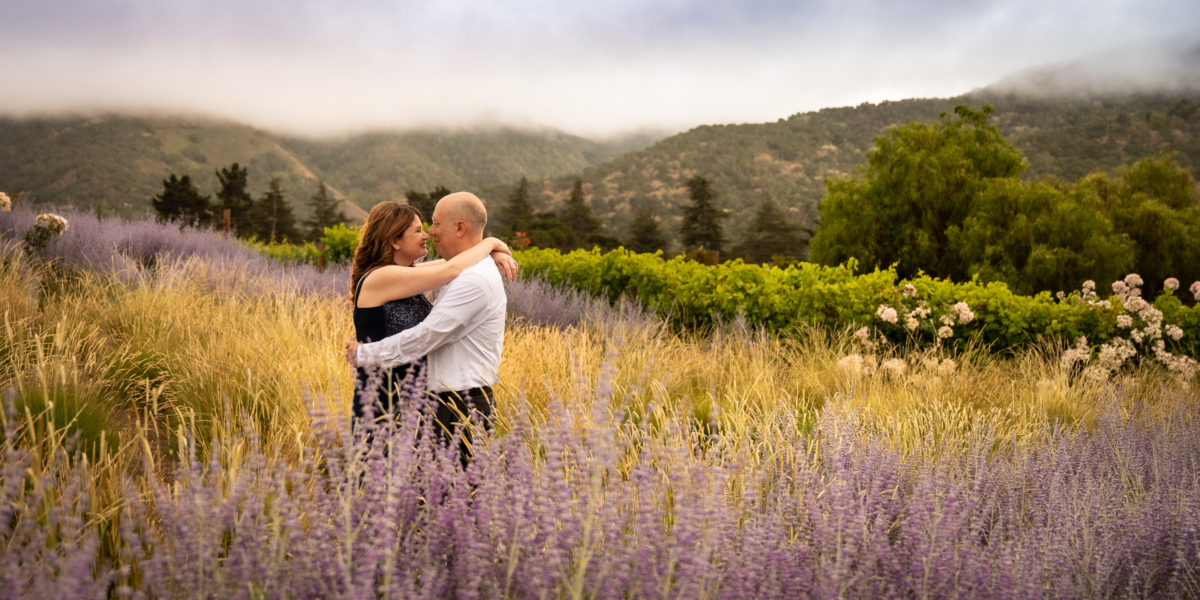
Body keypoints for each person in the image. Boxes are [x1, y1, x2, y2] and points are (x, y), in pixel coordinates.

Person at [346, 192, 509, 462]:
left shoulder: (408, 274)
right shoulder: (381, 277)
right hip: (382, 400)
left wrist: (491, 250)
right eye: (419, 230)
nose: (428, 235)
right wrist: (491, 242)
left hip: (412, 402)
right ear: (394, 241)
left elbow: (454, 264)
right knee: (380, 491)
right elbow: (451, 269)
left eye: (431, 226)